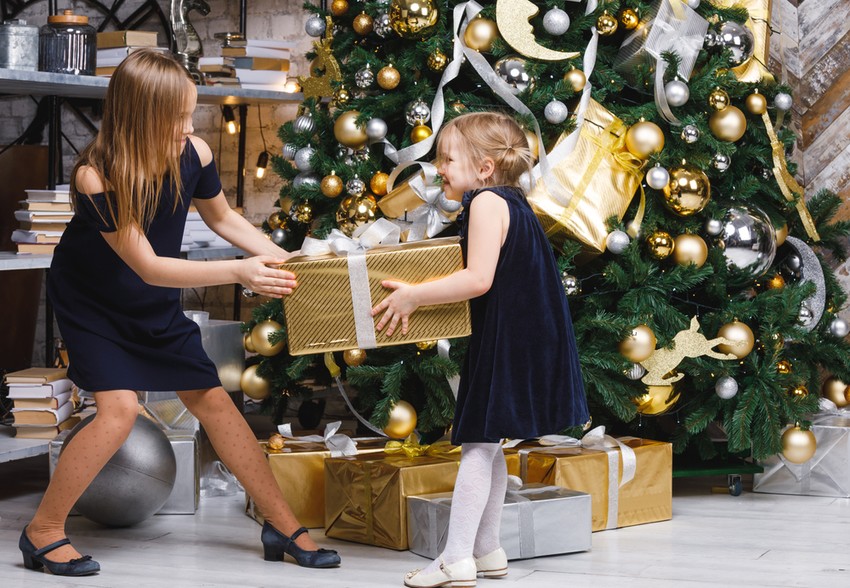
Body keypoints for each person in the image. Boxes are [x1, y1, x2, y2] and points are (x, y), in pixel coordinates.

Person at [18, 49, 340, 576]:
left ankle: (282, 525)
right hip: (94, 301)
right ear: (139, 117)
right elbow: (147, 266)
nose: (189, 127)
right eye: (177, 117)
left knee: (214, 400)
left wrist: (281, 259)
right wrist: (240, 272)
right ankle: (43, 532)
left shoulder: (194, 152)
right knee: (119, 411)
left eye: (191, 114)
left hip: (151, 297)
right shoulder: (96, 176)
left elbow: (224, 218)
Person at [372, 112, 589, 588]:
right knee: (489, 443)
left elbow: (477, 279)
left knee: (477, 443)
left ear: (485, 168)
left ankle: (455, 558)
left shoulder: (487, 202)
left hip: (509, 338)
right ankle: (487, 549)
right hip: (521, 333)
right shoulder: (513, 201)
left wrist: (413, 296)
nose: (438, 169)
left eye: (447, 159)